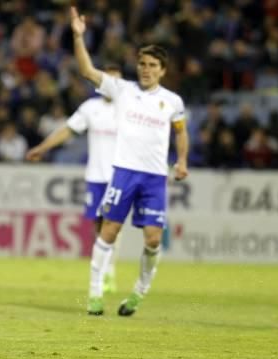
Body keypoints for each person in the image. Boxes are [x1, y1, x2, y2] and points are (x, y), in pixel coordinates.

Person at [69, 6, 189, 316]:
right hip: (123, 173)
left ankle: (139, 292)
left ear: (162, 70)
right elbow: (86, 70)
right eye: (141, 64)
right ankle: (95, 295)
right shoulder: (123, 90)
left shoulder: (172, 101)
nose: (145, 69)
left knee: (152, 240)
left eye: (152, 65)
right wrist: (78, 37)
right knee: (108, 232)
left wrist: (182, 160)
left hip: (153, 178)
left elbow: (181, 133)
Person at [26, 64, 122, 293]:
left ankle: (108, 272)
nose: (111, 85)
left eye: (116, 81)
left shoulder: (129, 110)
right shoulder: (90, 108)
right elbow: (67, 130)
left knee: (111, 224)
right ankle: (105, 268)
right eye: (107, 79)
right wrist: (43, 147)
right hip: (95, 176)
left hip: (120, 176)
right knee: (98, 225)